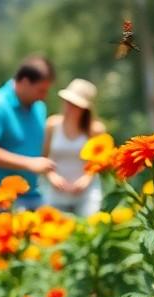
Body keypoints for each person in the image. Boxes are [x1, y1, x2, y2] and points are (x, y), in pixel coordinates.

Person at [0, 55, 56, 210]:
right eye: (40, 90)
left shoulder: (39, 108)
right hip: (0, 199)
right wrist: (29, 163)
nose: (44, 97)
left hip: (34, 195)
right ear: (24, 82)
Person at [43, 78, 107, 217]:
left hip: (87, 193)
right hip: (56, 193)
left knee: (89, 233)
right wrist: (52, 176)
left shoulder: (96, 130)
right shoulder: (52, 125)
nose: (69, 107)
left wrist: (86, 179)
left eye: (75, 104)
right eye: (68, 102)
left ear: (85, 109)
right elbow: (44, 158)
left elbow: (100, 162)